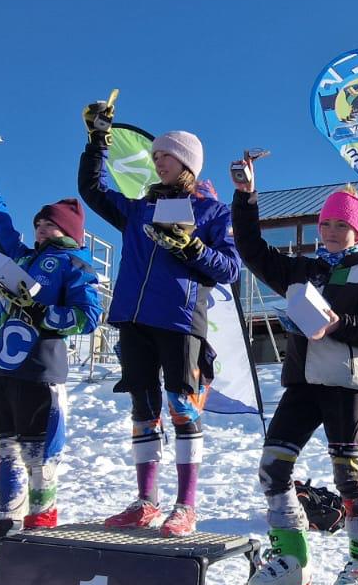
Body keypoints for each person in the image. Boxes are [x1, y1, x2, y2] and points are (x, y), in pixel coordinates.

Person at [231, 164, 358, 585]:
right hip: (303, 383)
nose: (329, 230)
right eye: (325, 222)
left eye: (341, 224)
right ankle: (290, 560)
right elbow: (251, 250)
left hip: (348, 383)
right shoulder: (302, 269)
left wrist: (336, 324)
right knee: (272, 466)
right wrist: (247, 196)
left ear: (357, 230)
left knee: (349, 473)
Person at [77, 99, 241, 537]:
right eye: (154, 157)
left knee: (183, 408)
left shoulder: (211, 212)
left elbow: (230, 269)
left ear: (185, 162)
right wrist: (97, 142)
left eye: (165, 155)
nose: (157, 161)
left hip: (181, 321)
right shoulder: (137, 209)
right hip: (133, 318)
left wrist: (191, 249)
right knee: (143, 410)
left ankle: (185, 505)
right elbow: (91, 191)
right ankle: (145, 502)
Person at [0, 133, 102, 559]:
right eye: (38, 222)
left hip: (40, 371)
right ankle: (5, 523)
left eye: (50, 223)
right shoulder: (17, 256)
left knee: (39, 453)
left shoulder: (75, 264)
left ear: (68, 232)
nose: (41, 228)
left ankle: (40, 526)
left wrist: (41, 313)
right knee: (7, 449)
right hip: (1, 367)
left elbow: (88, 317)